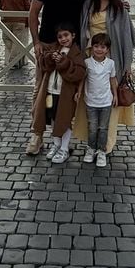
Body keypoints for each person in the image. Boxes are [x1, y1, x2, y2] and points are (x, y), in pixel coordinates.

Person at [74, 0, 135, 155]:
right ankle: (91, 141)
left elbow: (126, 37)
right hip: (89, 58)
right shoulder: (87, 5)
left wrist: (127, 66)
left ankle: (105, 145)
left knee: (110, 102)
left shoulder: (119, 8)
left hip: (112, 58)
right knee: (90, 100)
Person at [27, 23, 86, 163]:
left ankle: (64, 148)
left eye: (66, 35)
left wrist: (65, 63)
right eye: (60, 36)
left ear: (73, 35)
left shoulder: (76, 52)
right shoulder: (54, 48)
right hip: (50, 91)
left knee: (64, 120)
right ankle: (56, 144)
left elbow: (79, 73)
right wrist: (49, 58)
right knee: (53, 118)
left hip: (64, 94)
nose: (63, 39)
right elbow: (43, 64)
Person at [76, 33, 118, 168]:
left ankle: (101, 151)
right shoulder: (87, 63)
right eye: (96, 46)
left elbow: (112, 80)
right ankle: (91, 148)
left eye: (103, 47)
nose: (99, 49)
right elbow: (82, 79)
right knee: (92, 128)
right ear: (92, 47)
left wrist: (115, 95)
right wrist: (79, 91)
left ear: (108, 50)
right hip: (91, 102)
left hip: (106, 102)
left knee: (103, 128)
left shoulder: (111, 63)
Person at [0, 0, 31, 69]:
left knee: (6, 38)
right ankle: (13, 61)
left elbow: (0, 6)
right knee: (17, 42)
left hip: (6, 20)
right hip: (19, 21)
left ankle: (13, 59)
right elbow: (28, 8)